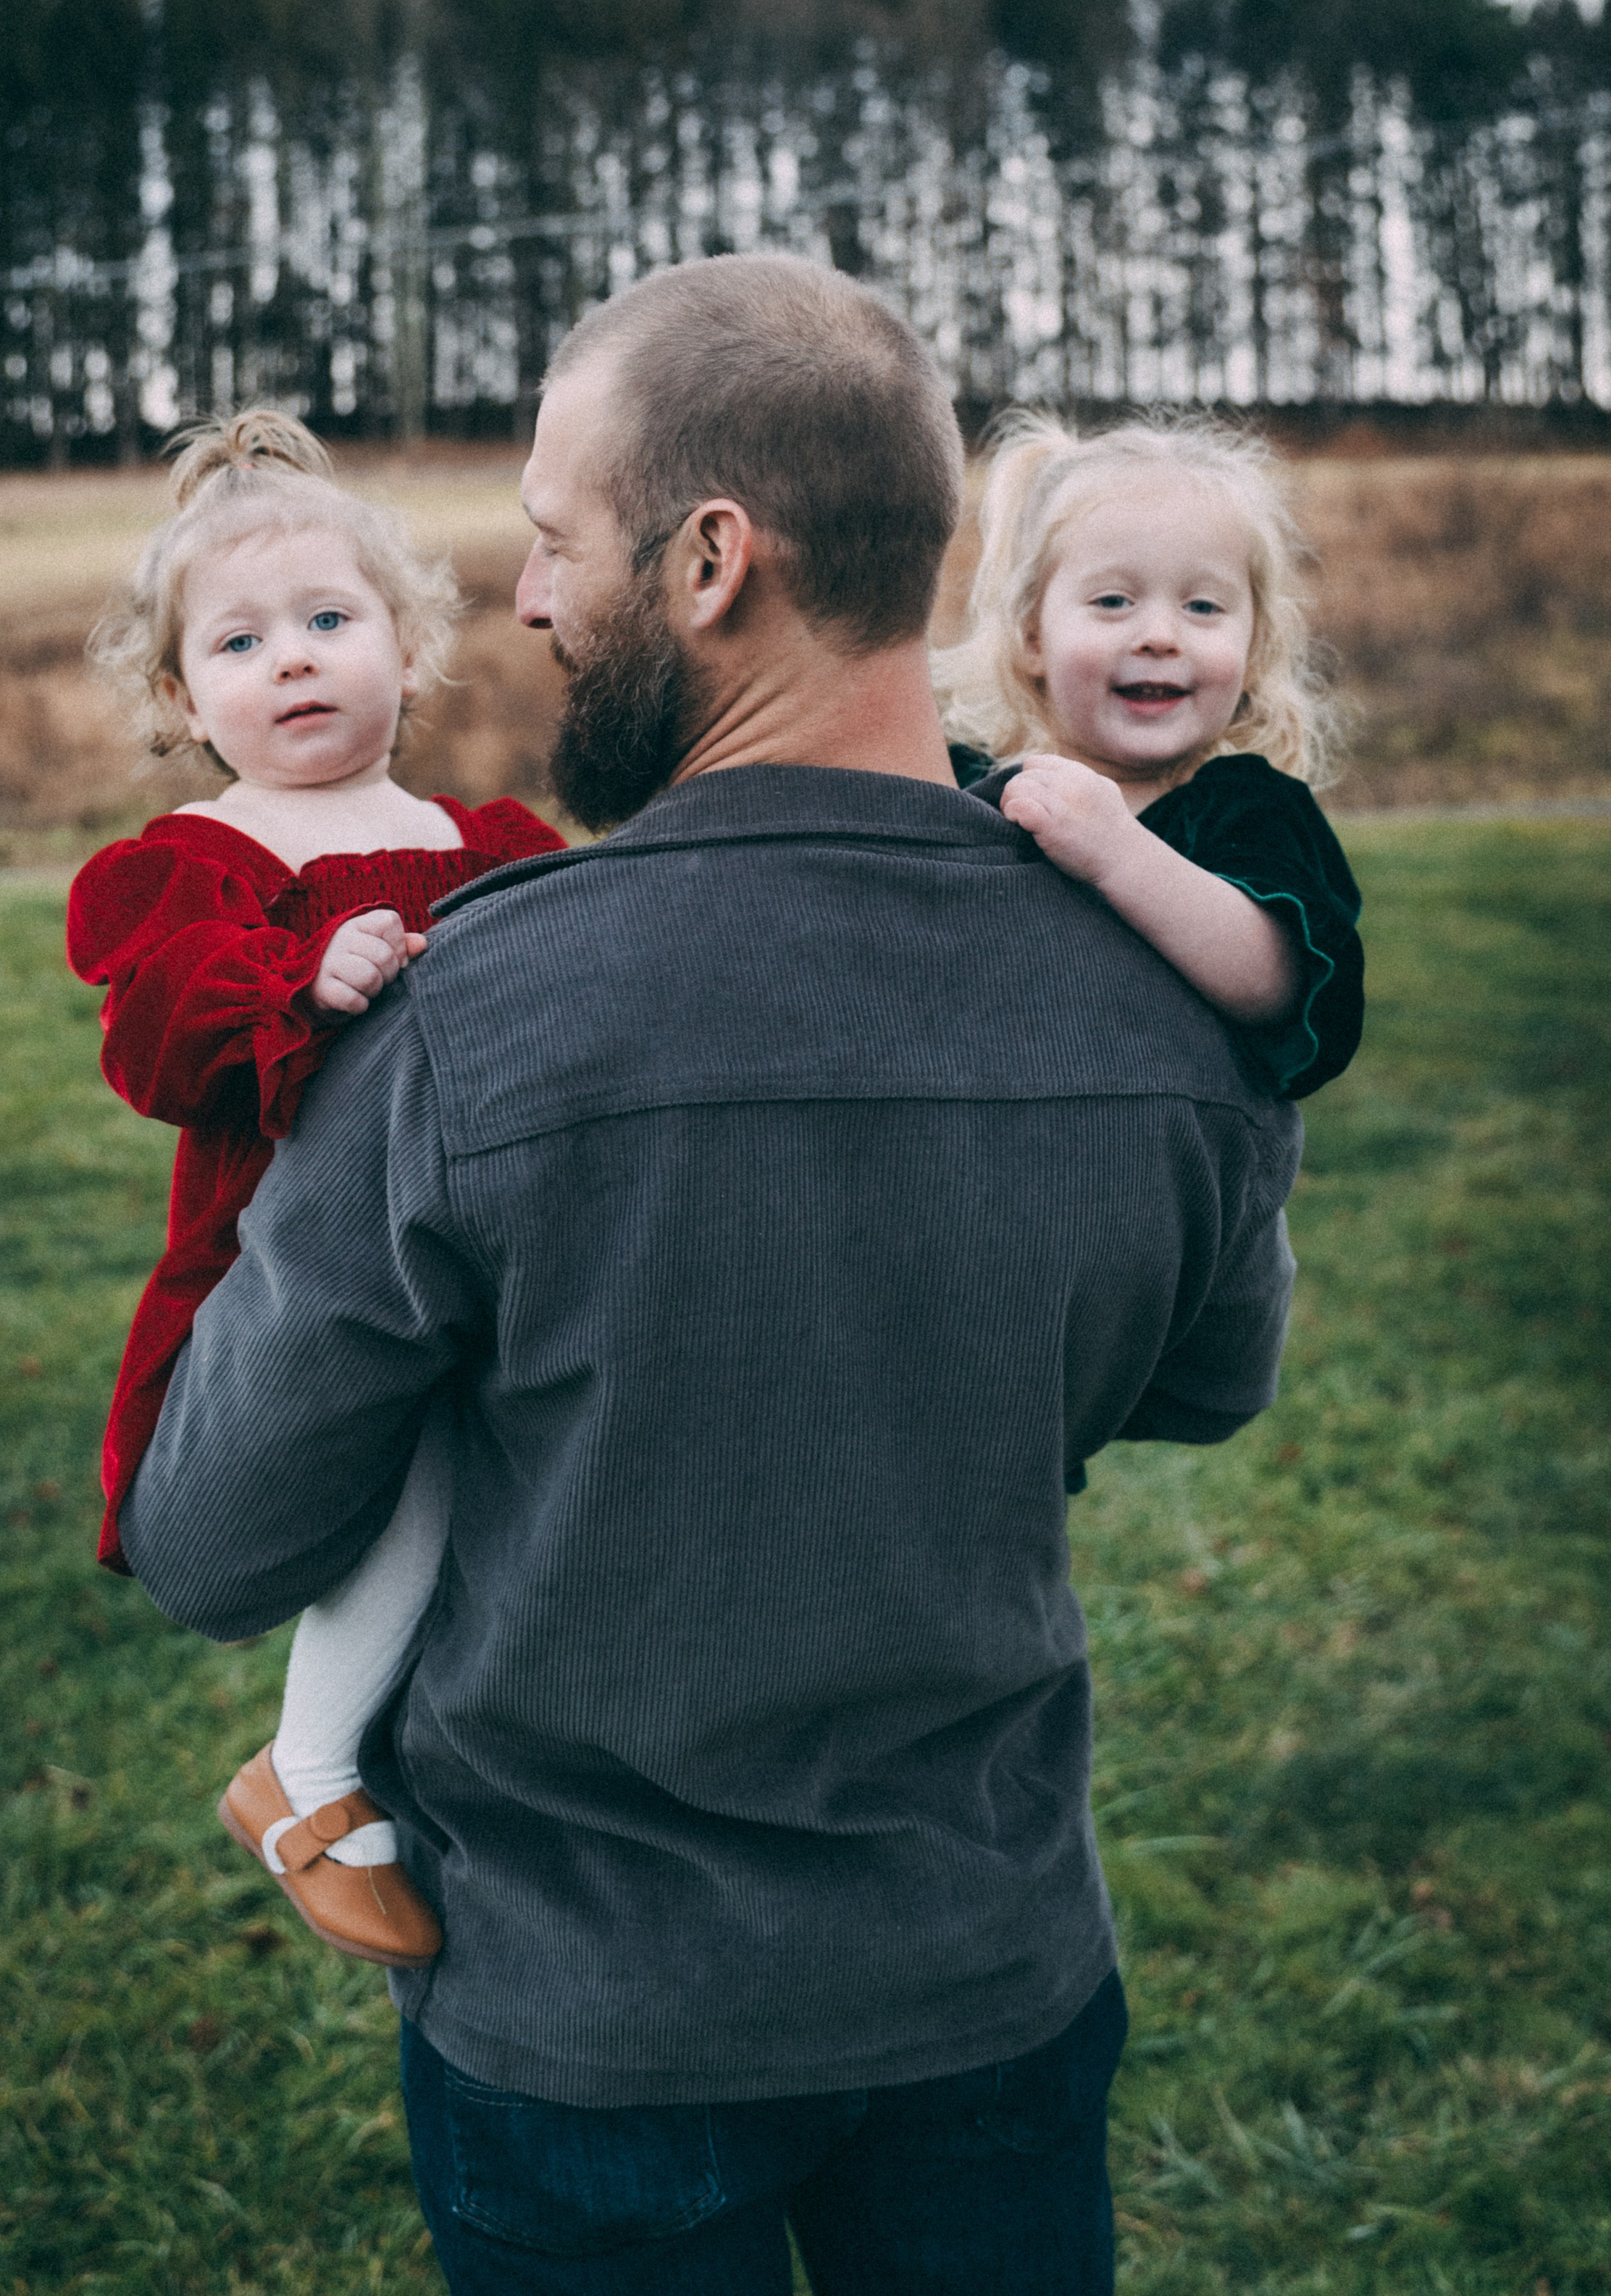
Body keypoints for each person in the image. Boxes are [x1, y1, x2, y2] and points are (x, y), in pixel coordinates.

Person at [120, 256, 1304, 2295]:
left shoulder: (465, 1023)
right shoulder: (1175, 990)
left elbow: (215, 1539)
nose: (526, 605)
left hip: (589, 2034)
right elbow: (1207, 1381)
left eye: (556, 542)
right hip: (993, 1976)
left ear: (709, 560)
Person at [65, 411, 563, 1966]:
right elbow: (152, 1043)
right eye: (239, 640)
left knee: (503, 1477)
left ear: (410, 650)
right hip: (284, 1272)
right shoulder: (199, 861)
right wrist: (297, 976)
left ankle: (464, 1749)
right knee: (413, 1467)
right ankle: (311, 1771)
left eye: (330, 621)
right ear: (178, 694)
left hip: (486, 1239)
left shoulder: (476, 844)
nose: (291, 660)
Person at [934, 411, 1362, 1102]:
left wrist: (1117, 852)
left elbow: (1280, 984)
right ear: (1032, 637)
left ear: (1254, 653)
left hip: (1174, 1190)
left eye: (1202, 606)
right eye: (1113, 601)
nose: (1160, 635)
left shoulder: (1250, 808)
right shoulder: (962, 784)